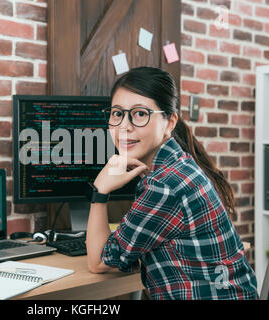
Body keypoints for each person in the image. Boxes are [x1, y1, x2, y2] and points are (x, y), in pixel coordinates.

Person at [86, 66, 258, 300]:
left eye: (140, 114)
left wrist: (100, 189)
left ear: (169, 123)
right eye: (117, 114)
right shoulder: (179, 165)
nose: (124, 127)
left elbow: (98, 262)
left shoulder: (164, 184)